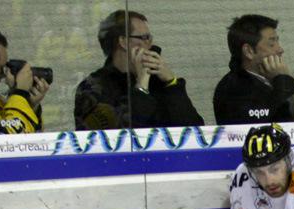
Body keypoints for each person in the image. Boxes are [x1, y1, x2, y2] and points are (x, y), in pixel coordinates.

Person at [75, 10, 204, 130]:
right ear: (123, 42)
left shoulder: (157, 81)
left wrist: (172, 84)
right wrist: (141, 86)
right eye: (144, 38)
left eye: (150, 38)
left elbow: (195, 130)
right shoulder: (94, 86)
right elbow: (119, 134)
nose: (150, 44)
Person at [213, 15, 294, 125]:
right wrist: (283, 82)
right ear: (249, 51)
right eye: (271, 44)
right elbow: (285, 125)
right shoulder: (233, 90)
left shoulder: (269, 81)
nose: (280, 50)